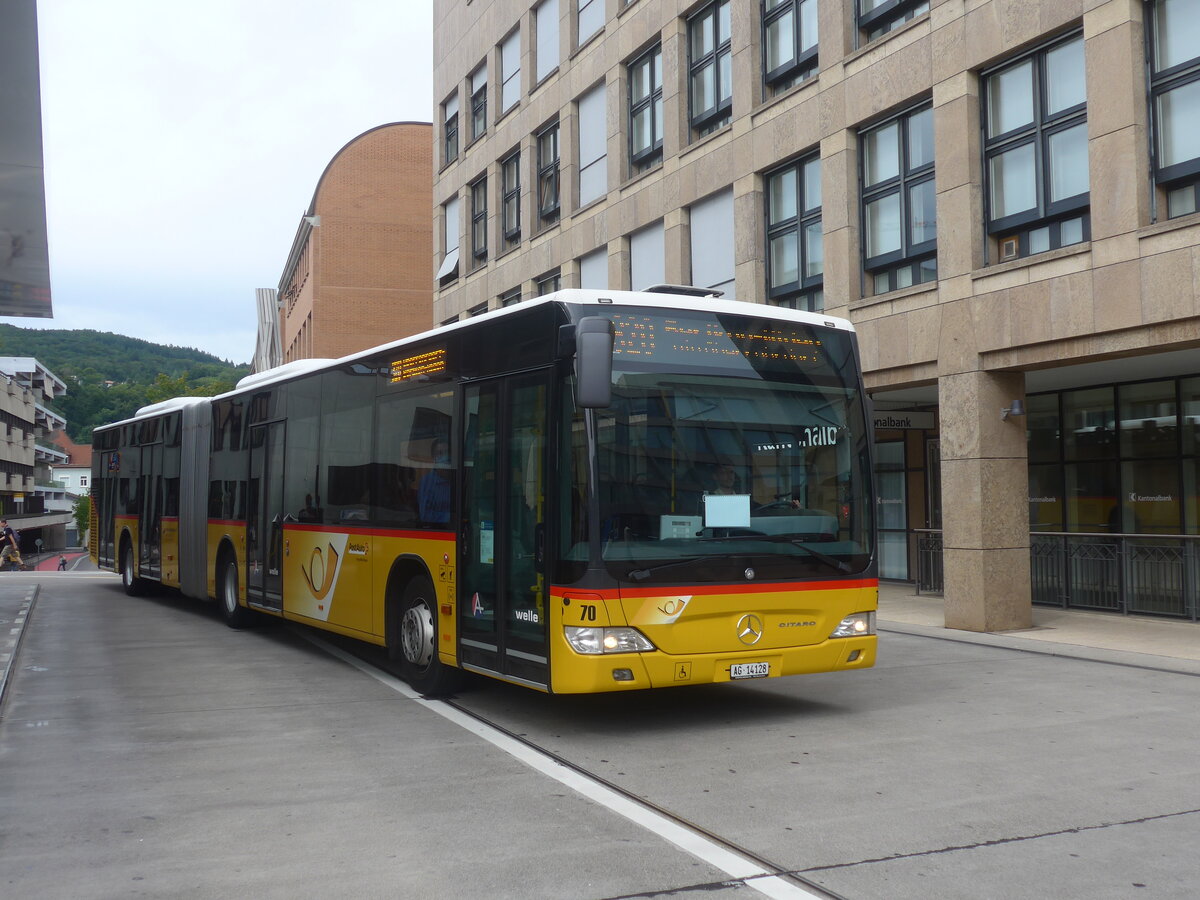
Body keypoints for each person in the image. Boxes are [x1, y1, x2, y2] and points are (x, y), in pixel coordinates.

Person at [419, 438, 452, 525]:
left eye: (447, 452)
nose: (445, 457)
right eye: (440, 453)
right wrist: (450, 517)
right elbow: (425, 516)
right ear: (434, 458)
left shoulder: (458, 480)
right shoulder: (427, 482)